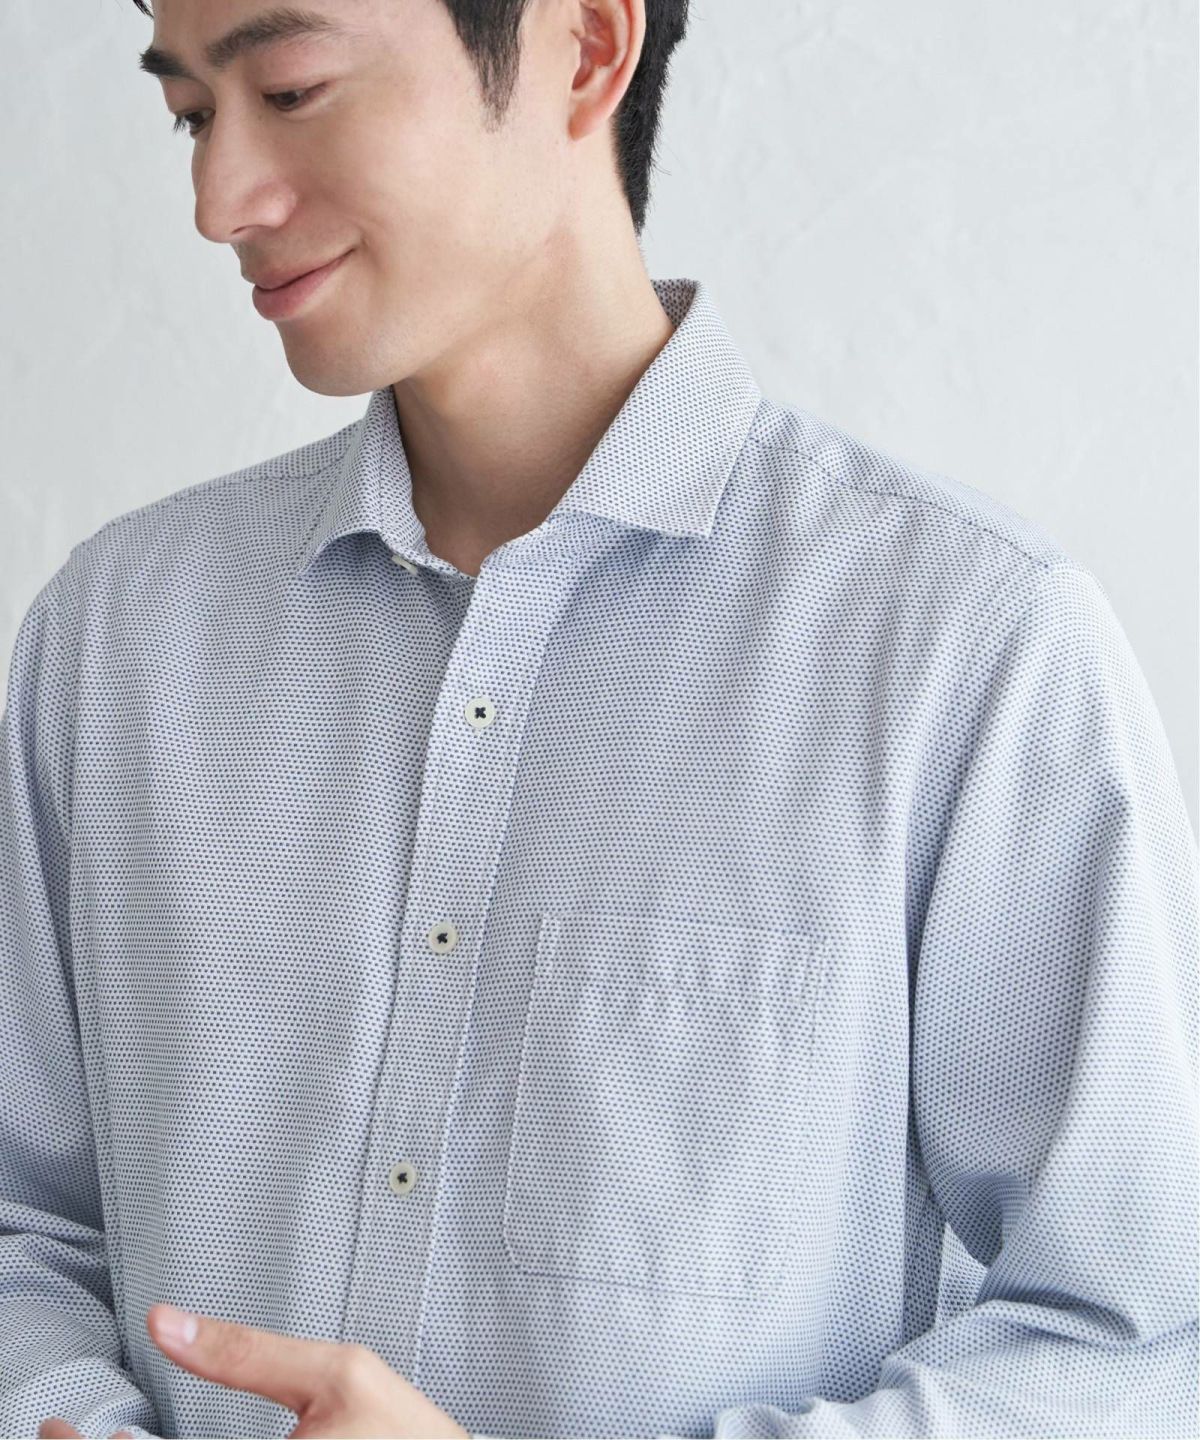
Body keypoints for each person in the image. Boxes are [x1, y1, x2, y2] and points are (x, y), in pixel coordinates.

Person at [3, 3, 1197, 1438]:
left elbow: (1137, 1345)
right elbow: (23, 1229)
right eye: (193, 115)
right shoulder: (114, 641)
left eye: (294, 90)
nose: (219, 202)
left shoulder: (966, 647)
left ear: (583, 47)